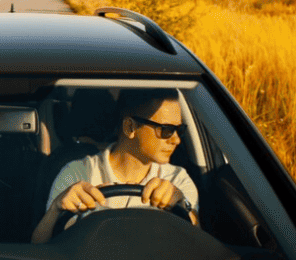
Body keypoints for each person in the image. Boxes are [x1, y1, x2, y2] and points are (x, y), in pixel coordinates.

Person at [31, 89, 199, 243]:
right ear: (130, 127)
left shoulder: (177, 180)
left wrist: (183, 207)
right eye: (166, 130)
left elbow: (198, 245)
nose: (176, 140)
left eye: (180, 129)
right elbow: (40, 249)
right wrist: (55, 210)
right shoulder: (77, 173)